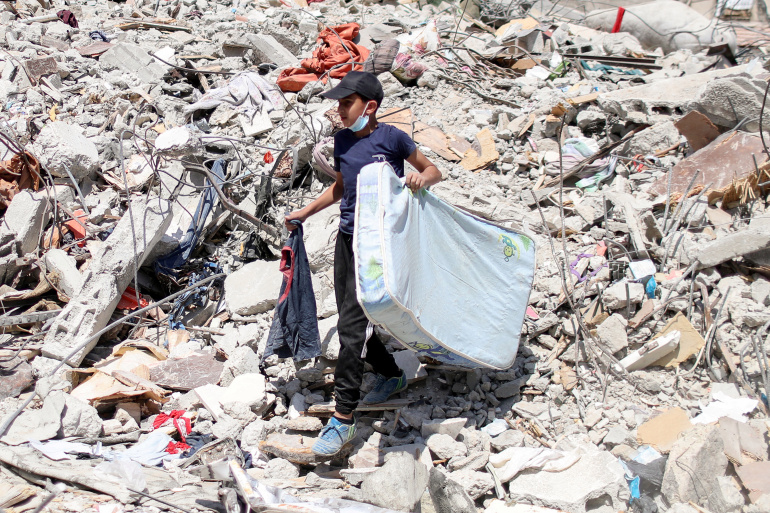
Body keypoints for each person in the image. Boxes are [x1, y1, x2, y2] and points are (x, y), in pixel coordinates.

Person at [284, 71, 443, 457]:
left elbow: (433, 169)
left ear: (369, 107)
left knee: (352, 328)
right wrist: (305, 211)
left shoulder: (392, 138)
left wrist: (422, 179)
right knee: (350, 316)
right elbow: (342, 186)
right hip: (348, 239)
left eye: (346, 103)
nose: (339, 111)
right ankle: (390, 374)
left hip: (382, 244)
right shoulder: (340, 140)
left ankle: (343, 417)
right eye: (338, 104)